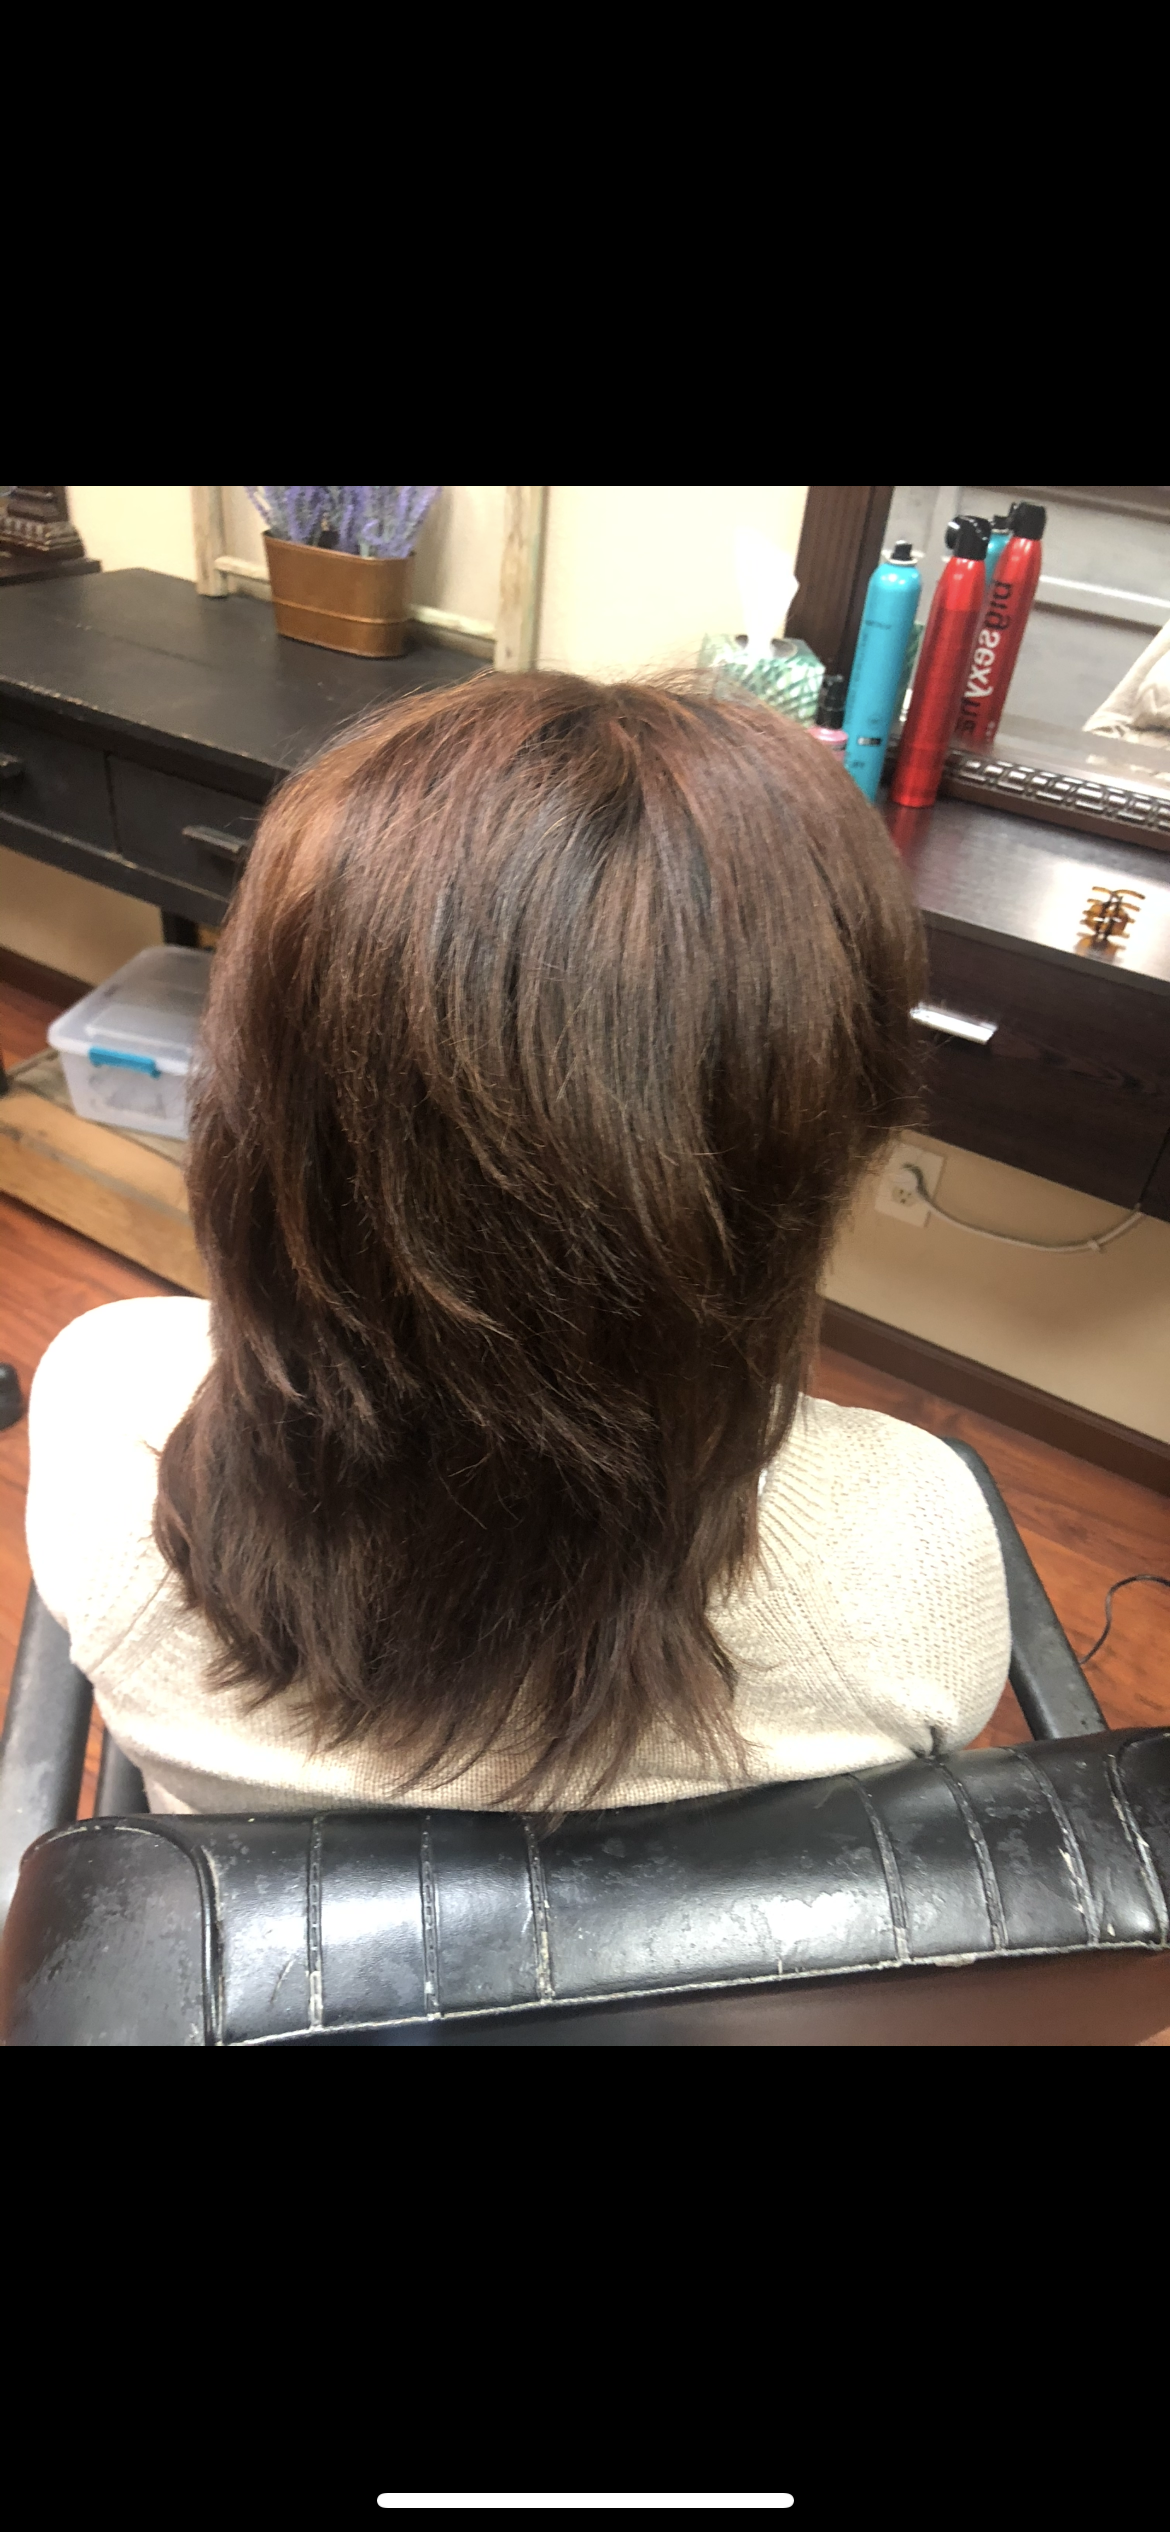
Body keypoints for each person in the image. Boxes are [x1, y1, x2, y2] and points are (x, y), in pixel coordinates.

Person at [25, 673, 1009, 1817]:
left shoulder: (105, 1410)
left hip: (242, 1930)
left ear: (263, 1099)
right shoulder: (918, 1554)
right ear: (830, 1141)